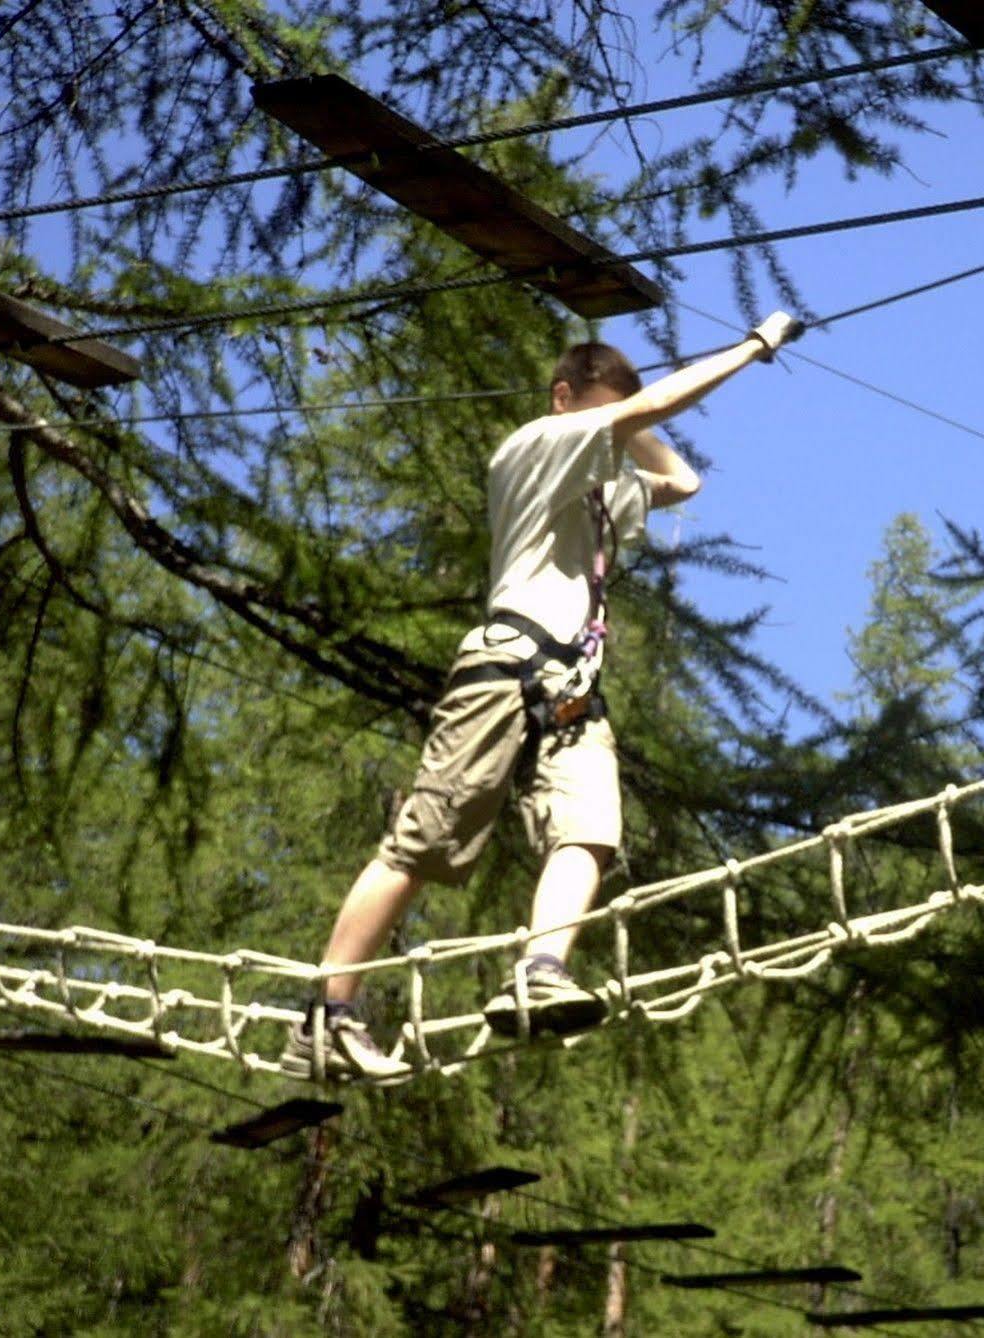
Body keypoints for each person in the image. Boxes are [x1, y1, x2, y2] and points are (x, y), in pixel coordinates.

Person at [282, 312, 804, 1083]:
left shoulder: (602, 484)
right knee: (424, 843)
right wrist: (750, 349)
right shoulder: (536, 445)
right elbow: (648, 412)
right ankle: (328, 1015)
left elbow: (682, 481)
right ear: (562, 399)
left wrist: (622, 425)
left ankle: (541, 971)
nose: (610, 429)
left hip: (572, 692)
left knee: (590, 830)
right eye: (597, 412)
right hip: (504, 669)